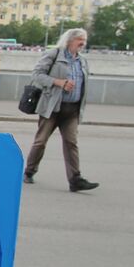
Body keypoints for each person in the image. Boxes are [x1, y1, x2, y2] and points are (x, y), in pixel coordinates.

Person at [24, 28, 98, 192]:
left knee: (71, 143)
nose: (83, 43)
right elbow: (37, 75)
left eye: (84, 39)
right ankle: (29, 171)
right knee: (41, 141)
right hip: (52, 107)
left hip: (72, 109)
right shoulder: (55, 55)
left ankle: (75, 179)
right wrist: (59, 82)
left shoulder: (82, 61)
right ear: (70, 40)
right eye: (80, 39)